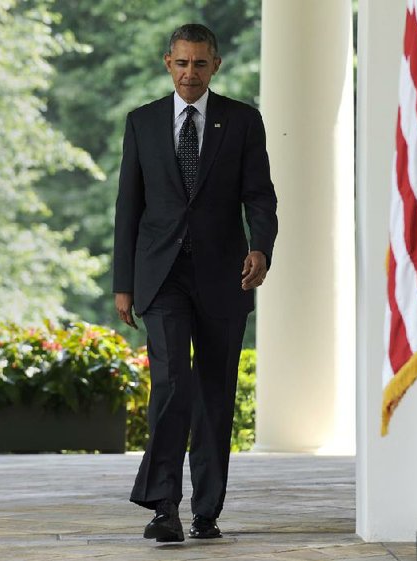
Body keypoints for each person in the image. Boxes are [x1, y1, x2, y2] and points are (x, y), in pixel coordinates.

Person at [113, 23, 278, 543]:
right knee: (170, 385)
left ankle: (207, 510)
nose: (190, 73)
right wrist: (124, 283)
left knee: (213, 394)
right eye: (182, 63)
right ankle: (164, 506)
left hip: (224, 276)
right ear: (168, 62)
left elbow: (260, 196)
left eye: (200, 64)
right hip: (160, 278)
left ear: (216, 65)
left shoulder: (243, 121)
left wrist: (261, 247)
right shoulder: (141, 123)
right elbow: (128, 208)